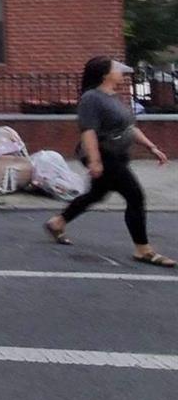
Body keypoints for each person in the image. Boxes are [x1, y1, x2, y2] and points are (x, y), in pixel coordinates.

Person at [45, 55, 173, 266]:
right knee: (135, 196)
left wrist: (151, 147)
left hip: (117, 155)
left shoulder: (112, 96)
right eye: (116, 68)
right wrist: (95, 161)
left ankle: (57, 222)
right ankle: (143, 249)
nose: (121, 71)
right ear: (105, 74)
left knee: (97, 194)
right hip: (105, 156)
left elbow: (129, 128)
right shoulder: (91, 98)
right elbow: (88, 132)